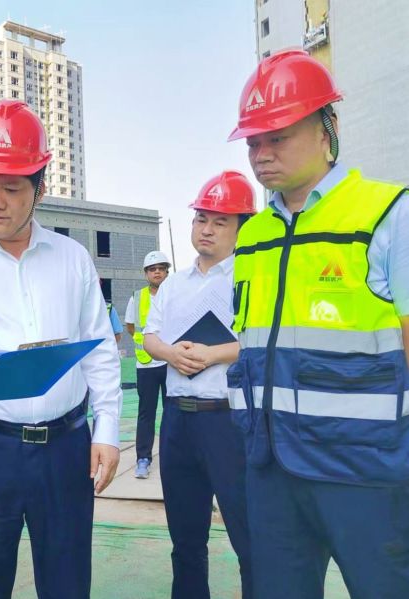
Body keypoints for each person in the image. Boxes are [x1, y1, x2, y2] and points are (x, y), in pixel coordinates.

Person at [0, 99, 122, 599]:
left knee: (67, 582)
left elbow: (97, 348)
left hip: (66, 449)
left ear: (40, 188)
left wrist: (109, 430)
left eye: (11, 189)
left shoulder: (72, 259)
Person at [226, 49, 409, 599]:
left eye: (277, 137)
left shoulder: (384, 214)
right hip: (271, 468)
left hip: (364, 470)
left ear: (326, 129)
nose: (261, 154)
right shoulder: (253, 236)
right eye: (254, 142)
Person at [143, 171, 256, 599]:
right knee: (186, 538)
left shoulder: (248, 277)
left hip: (228, 423)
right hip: (178, 424)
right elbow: (151, 336)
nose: (206, 229)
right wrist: (171, 354)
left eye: (220, 221)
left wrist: (213, 354)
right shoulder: (172, 284)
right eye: (201, 219)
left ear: (241, 227)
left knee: (248, 536)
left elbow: (261, 340)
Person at [125, 250, 171, 479]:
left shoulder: (175, 294)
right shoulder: (137, 297)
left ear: (166, 272)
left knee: (173, 412)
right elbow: (131, 327)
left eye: (161, 269)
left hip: (171, 362)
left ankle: (173, 456)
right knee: (146, 413)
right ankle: (143, 458)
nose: (157, 272)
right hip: (146, 365)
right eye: (153, 269)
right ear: (146, 274)